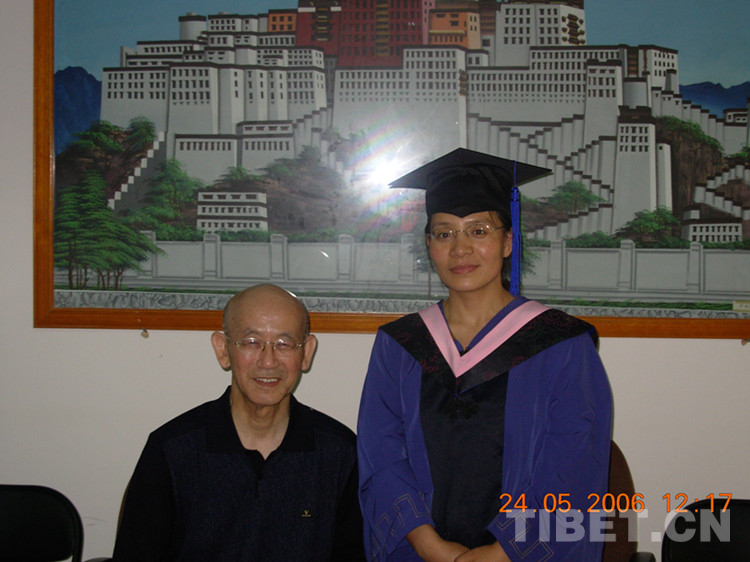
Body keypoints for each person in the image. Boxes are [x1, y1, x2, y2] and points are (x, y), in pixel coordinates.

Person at [357, 149, 613, 561]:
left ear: (508, 241)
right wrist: (432, 547)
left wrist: (503, 552)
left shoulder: (560, 344)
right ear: (429, 245)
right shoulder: (400, 345)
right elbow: (382, 457)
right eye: (444, 234)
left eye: (478, 231)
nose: (460, 249)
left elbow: (573, 466)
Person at [113, 284, 365, 561]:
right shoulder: (171, 451)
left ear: (306, 353)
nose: (268, 361)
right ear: (222, 349)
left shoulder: (340, 454)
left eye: (284, 344)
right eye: (251, 342)